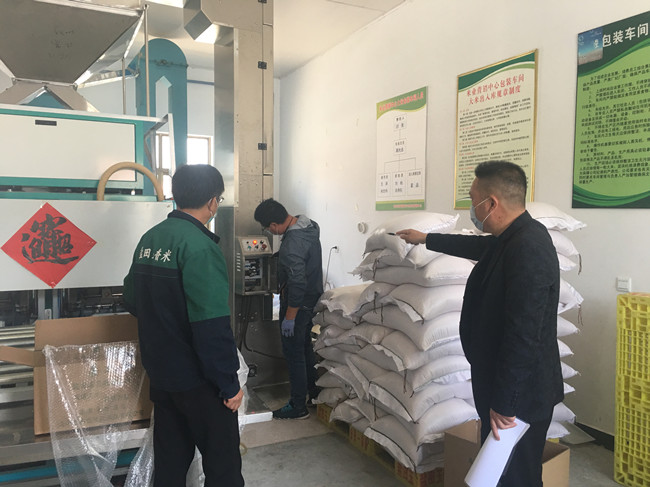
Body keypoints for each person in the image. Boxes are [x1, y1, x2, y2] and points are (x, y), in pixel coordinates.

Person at [397, 160, 563, 487]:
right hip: (504, 388)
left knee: (518, 477)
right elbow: (476, 246)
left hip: (520, 396)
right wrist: (426, 238)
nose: (471, 208)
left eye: (473, 200)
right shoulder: (510, 238)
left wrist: (505, 403)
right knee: (502, 475)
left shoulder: (529, 247)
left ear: (491, 203)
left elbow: (524, 335)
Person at [123, 164, 244, 487]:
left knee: (170, 464)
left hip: (162, 376)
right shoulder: (201, 248)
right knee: (223, 468)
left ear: (176, 195)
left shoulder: (150, 239)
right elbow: (212, 327)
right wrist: (229, 384)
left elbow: (132, 300)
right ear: (213, 202)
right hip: (200, 382)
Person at [254, 199, 323, 420]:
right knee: (305, 347)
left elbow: (298, 282)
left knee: (293, 353)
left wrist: (290, 316)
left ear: (274, 225)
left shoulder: (292, 244)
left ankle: (297, 405)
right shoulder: (309, 225)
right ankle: (314, 395)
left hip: (298, 303)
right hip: (312, 298)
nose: (269, 232)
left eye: (267, 228)